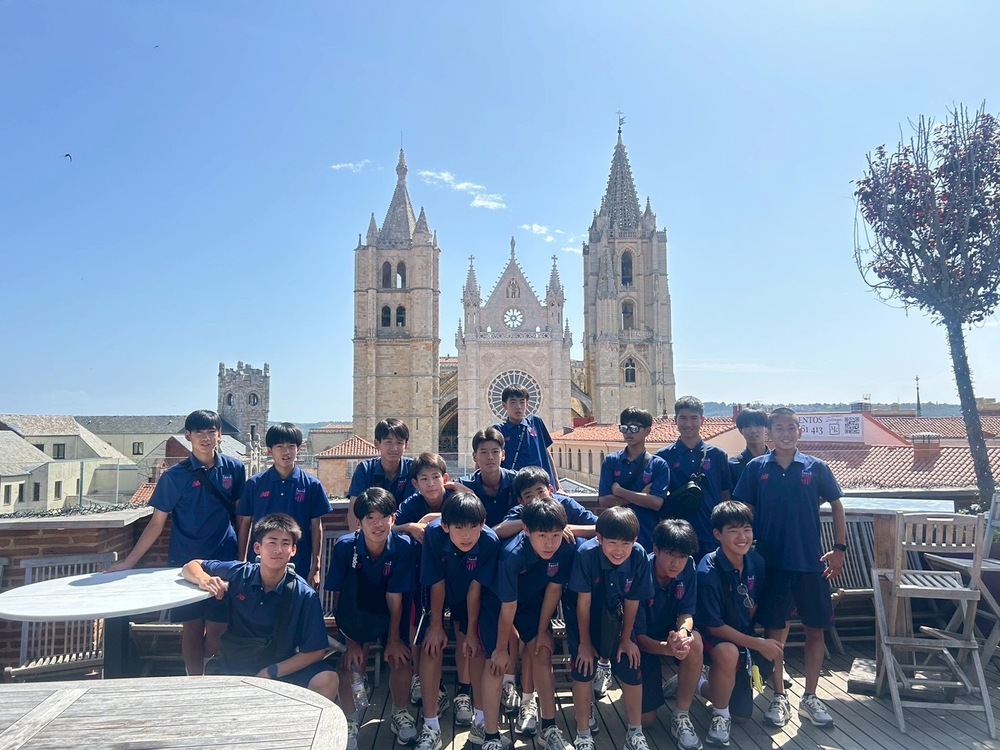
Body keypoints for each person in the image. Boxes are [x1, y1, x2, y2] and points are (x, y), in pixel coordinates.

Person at [733, 407, 846, 730]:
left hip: (811, 563)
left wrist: (839, 549)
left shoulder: (816, 467)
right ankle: (779, 696)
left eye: (791, 428)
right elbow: (743, 511)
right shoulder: (756, 468)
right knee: (774, 631)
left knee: (815, 630)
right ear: (769, 434)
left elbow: (837, 505)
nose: (785, 434)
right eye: (779, 428)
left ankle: (810, 696)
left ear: (800, 432)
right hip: (772, 564)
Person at [110, 409, 244, 675]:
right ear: (188, 436)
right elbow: (156, 523)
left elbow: (242, 517)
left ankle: (207, 663)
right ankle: (194, 681)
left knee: (219, 629)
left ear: (219, 435)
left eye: (211, 431)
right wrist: (128, 563)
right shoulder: (174, 476)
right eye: (199, 432)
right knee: (192, 627)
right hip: (185, 561)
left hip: (224, 559)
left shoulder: (235, 469)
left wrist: (243, 558)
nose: (205, 438)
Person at [181, 513, 338, 702]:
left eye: (285, 543)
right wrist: (204, 580)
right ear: (258, 548)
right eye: (272, 542)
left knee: (327, 679)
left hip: (280, 667)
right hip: (236, 664)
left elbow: (316, 651)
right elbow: (191, 566)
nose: (278, 550)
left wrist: (270, 672)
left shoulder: (304, 594)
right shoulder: (240, 574)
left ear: (293, 550)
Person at [493, 465, 597, 732]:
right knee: (504, 648)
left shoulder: (563, 534)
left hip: (543, 596)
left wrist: (560, 528)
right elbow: (497, 531)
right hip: (505, 598)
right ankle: (498, 706)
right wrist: (541, 525)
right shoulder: (513, 553)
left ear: (551, 490)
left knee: (540, 646)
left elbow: (554, 588)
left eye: (541, 492)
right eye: (529, 496)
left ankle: (542, 716)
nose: (537, 499)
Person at [325, 487, 419, 750]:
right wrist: (351, 641)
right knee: (349, 661)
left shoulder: (403, 546)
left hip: (392, 609)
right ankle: (350, 719)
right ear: (359, 522)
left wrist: (393, 639)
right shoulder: (346, 547)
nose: (378, 524)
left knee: (400, 657)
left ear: (393, 518)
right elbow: (340, 598)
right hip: (356, 607)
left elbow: (395, 597)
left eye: (383, 516)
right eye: (370, 518)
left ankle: (399, 712)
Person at [482, 500, 577, 750]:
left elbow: (554, 590)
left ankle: (549, 727)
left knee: (542, 651)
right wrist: (501, 648)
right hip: (498, 603)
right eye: (542, 535)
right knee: (496, 663)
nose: (550, 543)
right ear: (526, 531)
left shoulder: (565, 548)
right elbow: (507, 607)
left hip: (532, 601)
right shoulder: (511, 555)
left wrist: (542, 630)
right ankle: (490, 736)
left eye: (555, 535)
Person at [412, 492, 503, 750]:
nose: (466, 535)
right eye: (459, 527)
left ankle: (481, 720)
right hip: (437, 590)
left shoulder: (489, 541)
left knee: (475, 646)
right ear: (445, 526)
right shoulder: (433, 534)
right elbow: (436, 581)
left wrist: (472, 631)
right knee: (431, 645)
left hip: (471, 593)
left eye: (473, 527)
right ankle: (431, 725)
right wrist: (436, 625)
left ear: (483, 523)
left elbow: (475, 588)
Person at [566, 507, 654, 750]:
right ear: (599, 538)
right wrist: (584, 643)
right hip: (584, 616)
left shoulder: (639, 555)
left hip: (618, 615)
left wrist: (626, 639)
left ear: (635, 540)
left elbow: (633, 601)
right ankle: (583, 733)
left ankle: (635, 733)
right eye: (612, 542)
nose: (619, 550)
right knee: (583, 666)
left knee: (631, 663)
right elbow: (583, 603)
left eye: (626, 543)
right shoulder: (586, 554)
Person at [696, 501, 779, 746]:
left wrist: (757, 644)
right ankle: (720, 716)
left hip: (742, 636)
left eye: (747, 529)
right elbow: (713, 626)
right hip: (711, 638)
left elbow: (754, 604)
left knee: (742, 716)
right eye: (733, 530)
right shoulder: (707, 570)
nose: (742, 537)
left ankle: (695, 685)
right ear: (717, 534)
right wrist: (757, 643)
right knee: (728, 652)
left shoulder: (756, 562)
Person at [393, 452, 455, 710]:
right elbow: (390, 528)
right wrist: (410, 527)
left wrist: (432, 520)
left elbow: (473, 515)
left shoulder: (455, 499)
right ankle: (420, 676)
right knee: (417, 621)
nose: (430, 484)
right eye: (424, 479)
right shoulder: (411, 504)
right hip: (423, 576)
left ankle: (461, 686)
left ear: (445, 479)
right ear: (415, 483)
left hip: (456, 573)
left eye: (435, 477)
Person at [236, 422, 332, 588]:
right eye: (279, 446)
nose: (286, 451)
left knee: (295, 602)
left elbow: (317, 527)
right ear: (269, 450)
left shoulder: (312, 485)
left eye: (291, 446)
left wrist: (315, 567)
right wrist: (242, 561)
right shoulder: (255, 484)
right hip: (260, 562)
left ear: (299, 449)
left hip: (299, 562)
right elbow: (245, 523)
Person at [636, 519, 704, 750]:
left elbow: (687, 611)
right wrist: (666, 648)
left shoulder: (689, 566)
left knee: (694, 642)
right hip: (642, 642)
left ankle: (681, 715)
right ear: (655, 549)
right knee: (646, 721)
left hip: (671, 634)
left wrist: (683, 633)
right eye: (670, 554)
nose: (676, 563)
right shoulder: (640, 570)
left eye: (682, 556)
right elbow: (638, 636)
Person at [656, 396, 732, 559]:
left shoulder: (718, 455)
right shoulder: (663, 456)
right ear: (675, 420)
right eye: (683, 418)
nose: (688, 424)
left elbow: (725, 495)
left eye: (694, 418)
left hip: (711, 533)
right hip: (677, 534)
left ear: (702, 420)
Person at [598, 407, 670, 553]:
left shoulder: (658, 465)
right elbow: (604, 500)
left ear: (647, 431)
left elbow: (656, 503)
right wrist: (641, 496)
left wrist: (619, 491)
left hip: (647, 535)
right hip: (615, 536)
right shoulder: (611, 461)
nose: (628, 433)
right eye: (624, 428)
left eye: (634, 428)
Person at [347, 418, 413, 532]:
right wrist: (356, 539)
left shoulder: (414, 469)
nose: (394, 448)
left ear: (406, 445)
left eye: (399, 443)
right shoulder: (365, 470)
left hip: (407, 535)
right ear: (377, 444)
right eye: (388, 442)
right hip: (373, 535)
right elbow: (354, 509)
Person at [494, 384, 559, 490]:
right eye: (513, 402)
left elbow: (546, 453)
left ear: (527, 404)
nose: (518, 407)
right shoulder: (498, 430)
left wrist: (557, 484)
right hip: (514, 488)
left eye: (522, 402)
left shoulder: (536, 422)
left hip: (542, 487)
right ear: (504, 406)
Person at [455, 428, 519, 527]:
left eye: (495, 452)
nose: (490, 457)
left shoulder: (518, 481)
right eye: (484, 452)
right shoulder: (463, 485)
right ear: (474, 456)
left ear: (503, 455)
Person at [728, 408, 769, 488]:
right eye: (747, 426)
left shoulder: (777, 462)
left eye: (758, 425)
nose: (753, 430)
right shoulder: (733, 465)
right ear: (740, 431)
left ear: (766, 428)